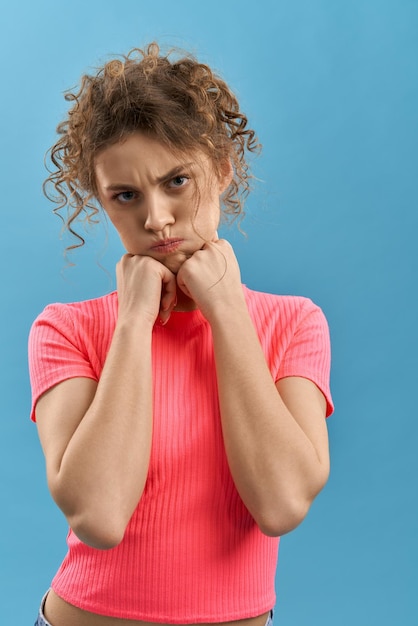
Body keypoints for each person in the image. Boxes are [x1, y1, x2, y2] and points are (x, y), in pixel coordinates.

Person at [29, 42, 333, 626]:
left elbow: (282, 503)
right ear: (102, 201)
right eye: (126, 196)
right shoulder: (65, 329)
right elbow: (98, 515)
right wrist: (133, 321)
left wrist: (225, 308)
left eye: (176, 181)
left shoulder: (295, 323)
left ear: (221, 169)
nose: (156, 219)